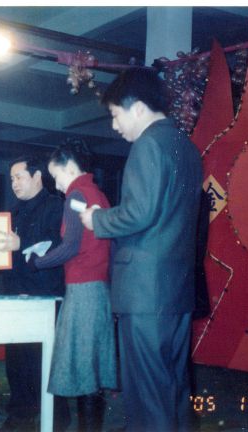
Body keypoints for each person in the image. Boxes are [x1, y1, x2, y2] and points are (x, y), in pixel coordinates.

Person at [79, 67, 203, 431]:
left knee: (148, 395)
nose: (114, 126)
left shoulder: (148, 144)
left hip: (145, 294)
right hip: (176, 290)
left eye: (115, 114)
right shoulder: (186, 147)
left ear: (137, 108)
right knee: (173, 388)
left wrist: (97, 219)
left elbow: (140, 212)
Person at [31, 141, 117, 431]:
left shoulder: (75, 195)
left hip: (82, 289)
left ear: (70, 167)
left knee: (82, 368)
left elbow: (70, 247)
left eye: (56, 176)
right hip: (100, 288)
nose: (56, 184)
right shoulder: (97, 194)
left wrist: (37, 262)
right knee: (92, 366)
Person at [0, 155, 69, 432]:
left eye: (19, 177)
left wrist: (22, 242)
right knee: (16, 358)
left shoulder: (56, 206)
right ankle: (20, 415)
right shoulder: (13, 212)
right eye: (11, 179)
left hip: (44, 294)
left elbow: (59, 245)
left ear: (37, 176)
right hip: (15, 293)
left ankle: (57, 418)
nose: (14, 183)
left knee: (45, 359)